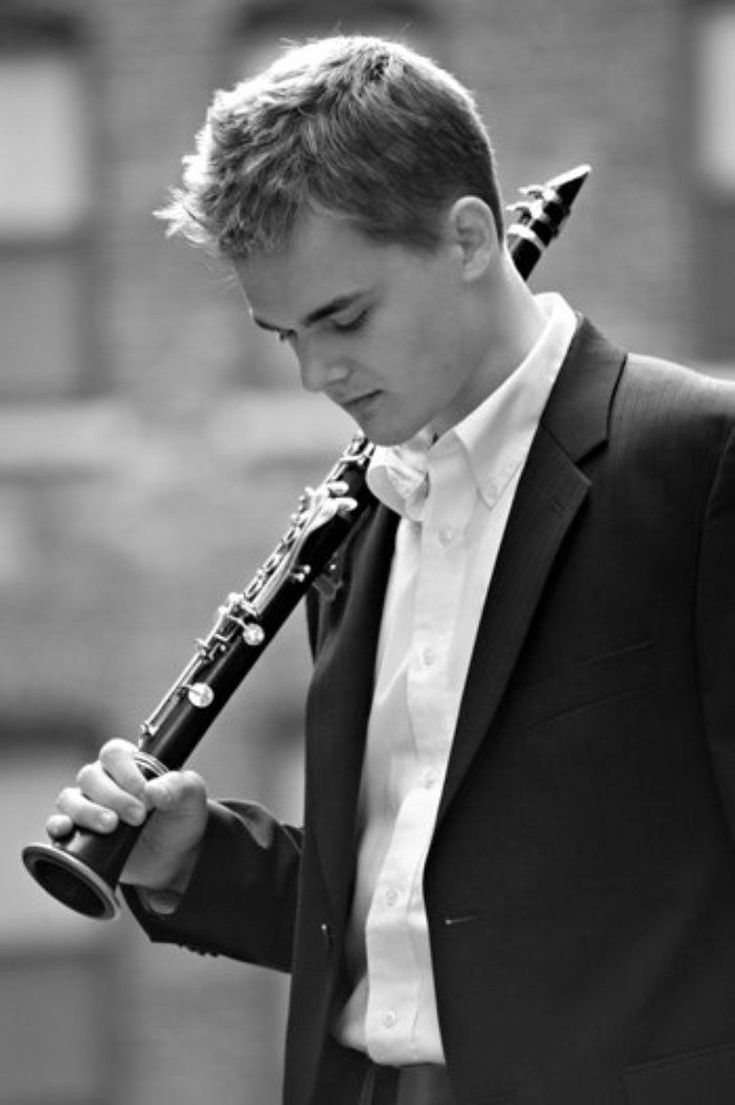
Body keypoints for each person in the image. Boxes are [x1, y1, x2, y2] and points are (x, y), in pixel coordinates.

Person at [45, 34, 735, 1105]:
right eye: (284, 336)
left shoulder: (699, 459)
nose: (318, 372)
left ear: (470, 237)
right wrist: (195, 858)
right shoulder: (362, 514)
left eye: (344, 318)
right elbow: (424, 910)